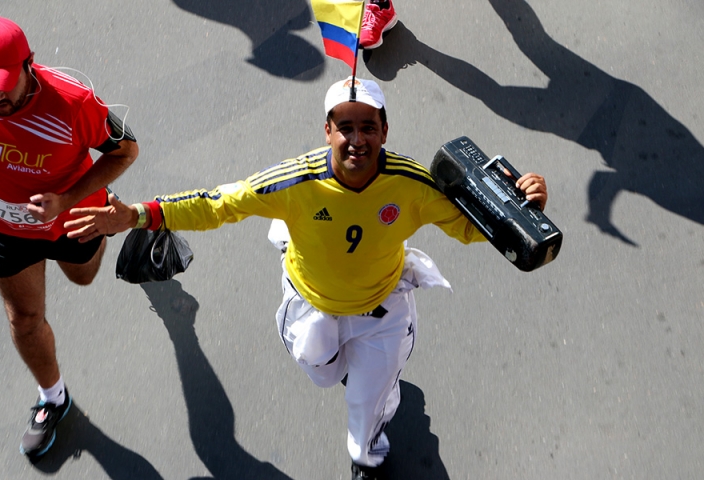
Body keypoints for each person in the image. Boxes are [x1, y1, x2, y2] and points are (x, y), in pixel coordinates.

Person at [65, 76, 547, 480]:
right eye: (345, 127)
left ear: (384, 131)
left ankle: (367, 450)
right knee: (320, 371)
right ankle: (291, 241)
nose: (356, 139)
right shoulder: (294, 181)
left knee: (368, 400)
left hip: (381, 308)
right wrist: (139, 216)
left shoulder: (413, 184)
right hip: (311, 301)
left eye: (368, 127)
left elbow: (469, 227)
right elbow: (219, 204)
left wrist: (523, 210)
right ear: (327, 131)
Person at [0, 16, 138, 457]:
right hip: (2, 224)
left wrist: (68, 197)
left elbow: (126, 149)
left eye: (2, 84)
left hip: (72, 215)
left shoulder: (72, 101)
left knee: (83, 279)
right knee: (24, 319)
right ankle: (53, 398)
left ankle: (106, 204)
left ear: (28, 66)